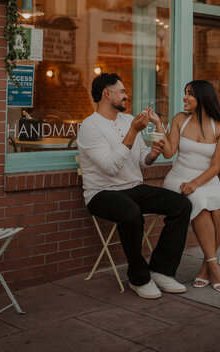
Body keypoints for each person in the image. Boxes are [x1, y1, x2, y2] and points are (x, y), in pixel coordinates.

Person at [77, 73, 192, 300]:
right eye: (121, 91)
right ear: (106, 93)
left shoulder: (127, 119)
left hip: (134, 188)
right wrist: (133, 131)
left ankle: (161, 270)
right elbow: (110, 167)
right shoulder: (90, 127)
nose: (126, 95)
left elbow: (141, 160)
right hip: (102, 193)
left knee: (181, 204)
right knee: (131, 213)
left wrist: (152, 155)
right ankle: (138, 277)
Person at [156, 79, 220, 293]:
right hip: (179, 178)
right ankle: (214, 267)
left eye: (189, 94)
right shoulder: (181, 119)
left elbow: (216, 166)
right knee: (199, 204)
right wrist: (158, 125)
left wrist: (195, 183)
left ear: (203, 98)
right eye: (185, 93)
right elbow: (169, 153)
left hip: (206, 179)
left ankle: (206, 266)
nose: (184, 97)